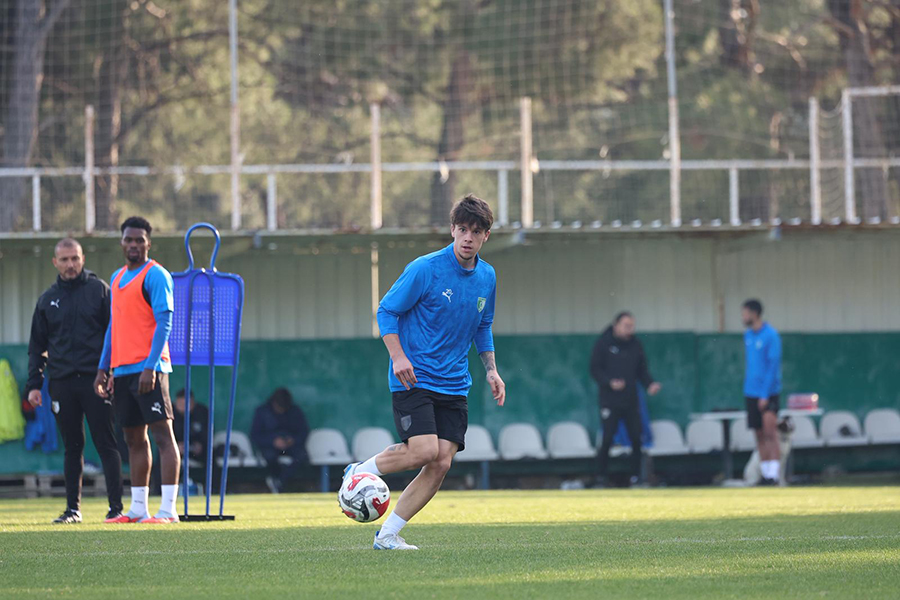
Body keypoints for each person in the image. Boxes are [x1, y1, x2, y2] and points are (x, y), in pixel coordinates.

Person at [344, 194, 506, 551]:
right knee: (423, 451)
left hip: (455, 383)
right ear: (452, 229)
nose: (467, 237)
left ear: (486, 236)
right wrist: (398, 357)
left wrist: (492, 370)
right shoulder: (425, 268)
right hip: (414, 378)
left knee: (441, 462)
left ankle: (387, 535)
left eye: (475, 231)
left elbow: (483, 325)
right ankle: (360, 471)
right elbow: (386, 311)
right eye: (462, 229)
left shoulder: (488, 276)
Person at [25, 238, 124, 524]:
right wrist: (34, 385)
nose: (70, 264)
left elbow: (116, 335)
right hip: (62, 383)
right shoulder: (47, 300)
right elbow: (37, 347)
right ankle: (73, 510)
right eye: (65, 259)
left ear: (83, 259)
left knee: (106, 443)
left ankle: (116, 509)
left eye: (75, 258)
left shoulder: (100, 291)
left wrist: (112, 372)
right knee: (72, 446)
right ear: (55, 262)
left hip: (96, 381)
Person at [94, 216, 181, 523]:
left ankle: (168, 510)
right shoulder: (117, 277)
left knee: (162, 436)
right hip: (122, 371)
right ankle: (138, 510)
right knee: (133, 439)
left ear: (148, 243)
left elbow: (165, 322)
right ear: (122, 243)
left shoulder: (156, 275)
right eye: (128, 240)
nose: (133, 245)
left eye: (139, 240)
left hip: (149, 369)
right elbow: (113, 327)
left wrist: (151, 366)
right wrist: (104, 367)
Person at [589, 311, 661, 487]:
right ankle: (601, 477)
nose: (630, 329)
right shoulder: (603, 343)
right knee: (607, 438)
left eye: (632, 326)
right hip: (609, 400)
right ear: (616, 325)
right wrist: (609, 383)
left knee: (636, 438)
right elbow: (595, 369)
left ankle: (636, 477)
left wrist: (650, 384)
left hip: (630, 400)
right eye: (626, 325)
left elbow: (642, 370)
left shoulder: (635, 344)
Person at [741, 299, 782, 486]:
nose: (743, 317)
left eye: (745, 313)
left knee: (770, 433)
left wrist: (765, 394)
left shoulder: (771, 335)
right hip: (751, 392)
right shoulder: (748, 335)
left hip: (768, 393)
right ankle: (765, 475)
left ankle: (774, 475)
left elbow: (773, 367)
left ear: (754, 313)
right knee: (758, 434)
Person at [250, 387, 310, 494]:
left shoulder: (295, 411)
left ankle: (280, 481)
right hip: (270, 447)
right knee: (269, 456)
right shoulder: (262, 412)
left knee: (302, 456)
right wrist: (273, 441)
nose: (281, 410)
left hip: (291, 446)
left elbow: (303, 432)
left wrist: (293, 440)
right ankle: (277, 481)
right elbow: (255, 435)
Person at [173, 388, 209, 464]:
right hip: (175, 448)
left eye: (187, 404)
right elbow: (164, 434)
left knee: (210, 455)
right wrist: (175, 445)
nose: (184, 407)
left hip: (197, 449)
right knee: (165, 454)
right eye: (181, 404)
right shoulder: (170, 412)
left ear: (193, 403)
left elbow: (208, 431)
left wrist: (201, 444)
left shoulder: (202, 412)